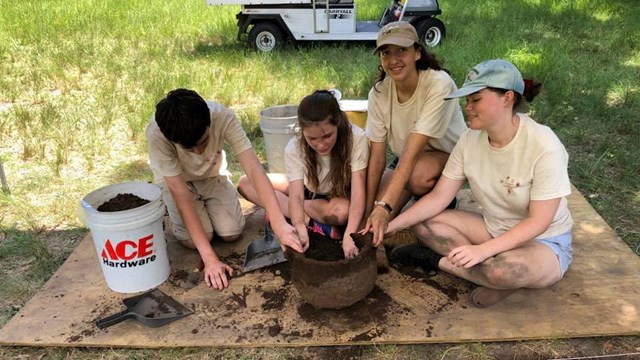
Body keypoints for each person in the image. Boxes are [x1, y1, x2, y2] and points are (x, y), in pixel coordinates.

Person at [385, 59, 573, 307]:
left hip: (543, 241)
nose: (467, 108)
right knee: (423, 224)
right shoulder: (469, 140)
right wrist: (391, 225)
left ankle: (440, 262)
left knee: (505, 271)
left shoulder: (544, 145)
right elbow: (440, 197)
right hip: (493, 227)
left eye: (476, 100)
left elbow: (539, 222)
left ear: (507, 98)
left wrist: (482, 251)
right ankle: (487, 275)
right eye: (467, 101)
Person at [146, 88, 305, 290]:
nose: (198, 151)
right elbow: (181, 193)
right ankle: (177, 221)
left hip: (212, 175)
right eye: (189, 148)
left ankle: (206, 209)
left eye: (203, 142)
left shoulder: (222, 116)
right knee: (199, 240)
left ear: (209, 122)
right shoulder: (157, 133)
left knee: (231, 232)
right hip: (177, 183)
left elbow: (254, 169)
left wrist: (279, 224)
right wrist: (210, 258)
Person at [362, 21, 468, 246]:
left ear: (417, 52)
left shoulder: (438, 84)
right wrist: (369, 211)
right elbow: (377, 157)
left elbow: (411, 153)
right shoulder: (379, 93)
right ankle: (374, 240)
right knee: (376, 211)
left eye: (402, 50)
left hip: (450, 155)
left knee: (412, 179)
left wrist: (384, 206)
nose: (393, 60)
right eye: (386, 53)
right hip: (408, 158)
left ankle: (442, 204)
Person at [238, 90, 369, 258]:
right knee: (246, 183)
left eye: (327, 136)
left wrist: (349, 235)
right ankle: (310, 222)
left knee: (342, 212)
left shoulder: (356, 138)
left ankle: (282, 210)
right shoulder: (295, 147)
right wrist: (299, 226)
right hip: (308, 189)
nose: (321, 145)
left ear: (337, 123)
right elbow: (297, 195)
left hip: (337, 195)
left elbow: (358, 192)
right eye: (312, 139)